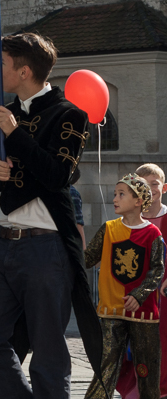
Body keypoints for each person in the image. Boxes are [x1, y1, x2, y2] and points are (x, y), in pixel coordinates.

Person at [0, 32, 101, 399]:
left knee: (47, 351)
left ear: (24, 71)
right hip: (0, 242)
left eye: (5, 64)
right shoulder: (4, 114)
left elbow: (59, 175)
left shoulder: (69, 114)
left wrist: (17, 134)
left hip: (45, 246)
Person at [84, 174, 164, 399]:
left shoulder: (153, 233)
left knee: (146, 366)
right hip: (111, 309)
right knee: (106, 365)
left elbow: (157, 270)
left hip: (143, 312)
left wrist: (139, 295)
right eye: (114, 194)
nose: (115, 199)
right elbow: (88, 258)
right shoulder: (108, 228)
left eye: (121, 194)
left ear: (138, 201)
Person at [117, 164, 167, 399]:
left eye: (154, 183)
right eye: (143, 183)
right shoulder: (127, 221)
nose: (150, 188)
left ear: (164, 188)